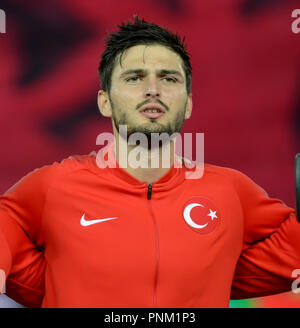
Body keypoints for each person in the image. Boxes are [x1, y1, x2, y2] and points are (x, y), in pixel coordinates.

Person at [0, 16, 300, 308]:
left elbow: (290, 254)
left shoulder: (232, 191)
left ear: (189, 102)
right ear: (104, 102)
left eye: (169, 78)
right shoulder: (51, 186)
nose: (153, 89)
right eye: (134, 78)